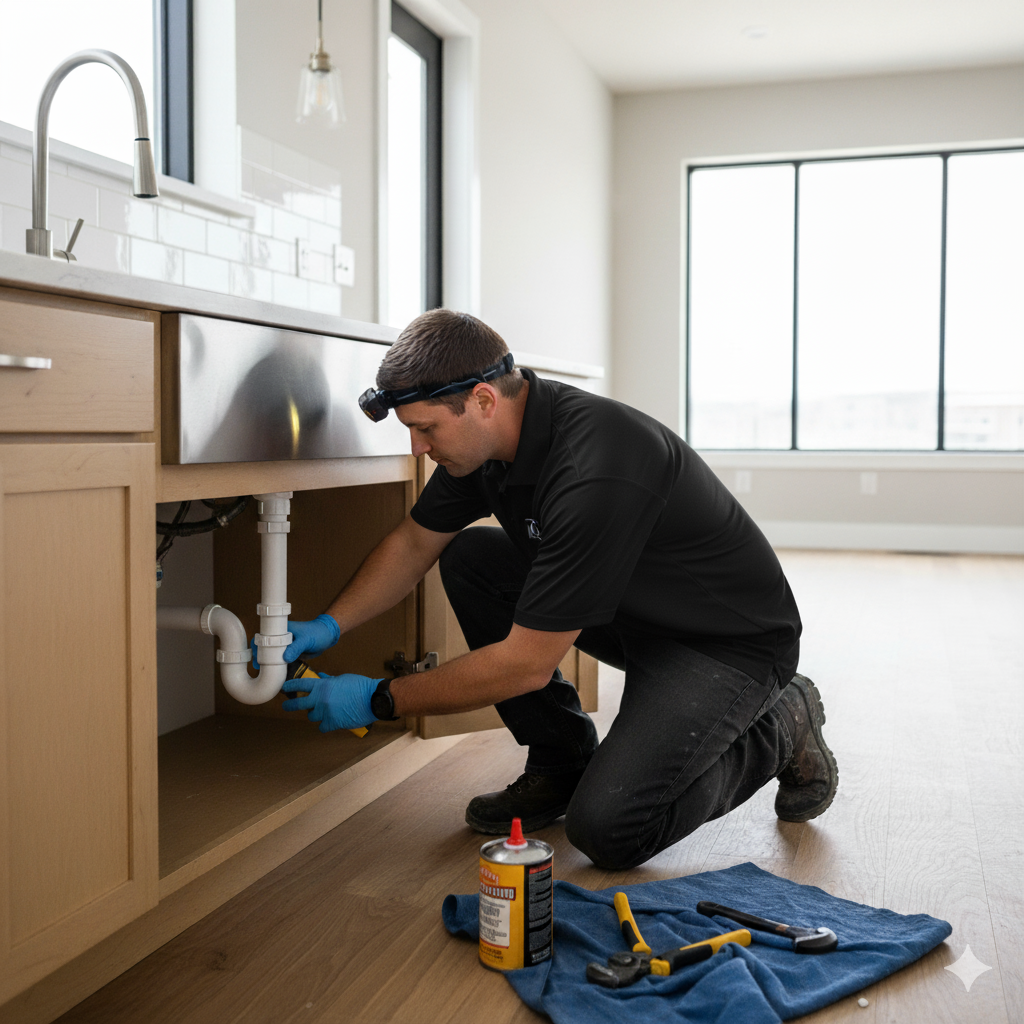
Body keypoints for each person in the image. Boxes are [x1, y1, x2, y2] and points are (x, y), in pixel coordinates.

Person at [273, 309, 838, 870]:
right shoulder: (489, 446)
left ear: (483, 400)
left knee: (611, 831)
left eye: (427, 429)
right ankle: (561, 760)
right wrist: (330, 624)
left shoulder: (594, 467)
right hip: (631, 609)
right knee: (470, 557)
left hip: (724, 645)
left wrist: (379, 698)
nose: (419, 448)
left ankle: (782, 724)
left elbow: (523, 666)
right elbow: (415, 543)